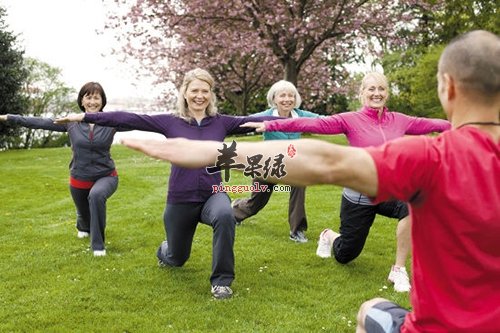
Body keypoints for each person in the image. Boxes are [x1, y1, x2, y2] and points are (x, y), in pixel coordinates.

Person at [119, 30, 499, 332]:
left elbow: (324, 162)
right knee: (341, 245)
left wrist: (216, 153)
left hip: (439, 326)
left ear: (447, 88)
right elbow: (317, 136)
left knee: (371, 312)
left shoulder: (429, 158)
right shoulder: (419, 148)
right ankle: (325, 238)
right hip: (352, 198)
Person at [55, 68, 277, 299]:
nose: (199, 96)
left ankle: (221, 282)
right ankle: (166, 251)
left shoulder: (221, 123)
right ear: (185, 93)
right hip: (181, 199)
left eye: (205, 91)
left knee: (225, 215)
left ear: (211, 95)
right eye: (194, 91)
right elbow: (127, 118)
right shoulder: (171, 122)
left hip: (213, 193)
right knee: (177, 258)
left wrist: (296, 121)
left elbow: (257, 119)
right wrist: (84, 117)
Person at [242, 72, 451, 292]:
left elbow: (435, 124)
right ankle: (329, 236)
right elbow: (314, 125)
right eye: (371, 89)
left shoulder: (400, 120)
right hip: (359, 195)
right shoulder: (350, 120)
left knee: (414, 206)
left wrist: (466, 124)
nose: (376, 93)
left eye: (381, 89)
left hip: (389, 190)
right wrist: (271, 126)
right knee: (346, 254)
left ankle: (398, 269)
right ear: (362, 94)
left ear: (387, 93)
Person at [0, 82, 120, 257]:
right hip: (79, 177)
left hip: (106, 175)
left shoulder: (112, 122)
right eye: (88, 97)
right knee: (84, 214)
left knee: (96, 196)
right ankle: (83, 224)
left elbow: (141, 122)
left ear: (102, 101)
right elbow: (39, 122)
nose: (92, 102)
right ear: (81, 100)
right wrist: (8, 117)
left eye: (96, 97)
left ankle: (98, 246)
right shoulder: (70, 122)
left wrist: (168, 122)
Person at [231, 80, 320, 243]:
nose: (287, 99)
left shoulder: (301, 116)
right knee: (256, 203)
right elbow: (238, 122)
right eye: (283, 95)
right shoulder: (265, 117)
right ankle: (235, 211)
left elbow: (325, 121)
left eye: (291, 96)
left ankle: (297, 230)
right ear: (274, 98)